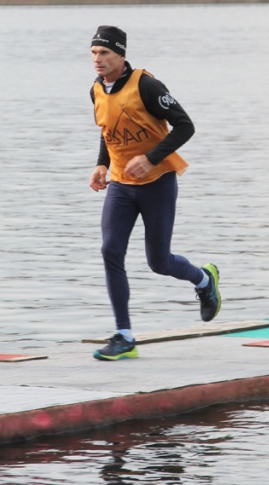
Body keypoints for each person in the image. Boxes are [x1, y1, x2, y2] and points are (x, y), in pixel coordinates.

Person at [88, 25, 221, 361]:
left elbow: (185, 126)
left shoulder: (147, 86)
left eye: (104, 53)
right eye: (93, 53)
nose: (97, 59)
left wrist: (150, 158)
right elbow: (108, 129)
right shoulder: (96, 90)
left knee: (159, 262)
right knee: (110, 251)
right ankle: (125, 336)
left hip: (157, 182)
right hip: (121, 185)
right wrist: (102, 164)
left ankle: (204, 280)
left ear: (121, 55)